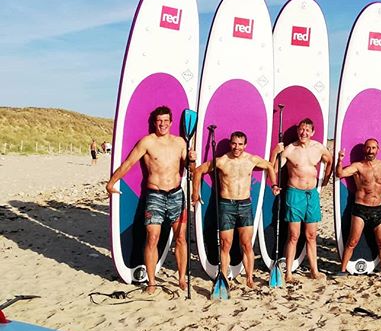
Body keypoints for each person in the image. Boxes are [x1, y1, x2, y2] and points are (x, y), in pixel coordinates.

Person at [106, 106, 194, 294]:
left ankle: (181, 279)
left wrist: (192, 160)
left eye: (165, 121)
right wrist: (111, 182)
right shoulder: (147, 142)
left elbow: (190, 169)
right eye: (159, 121)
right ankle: (152, 282)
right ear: (155, 122)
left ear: (171, 122)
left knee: (180, 238)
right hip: (155, 196)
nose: (162, 124)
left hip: (177, 195)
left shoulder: (180, 143)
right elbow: (128, 163)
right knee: (152, 238)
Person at [192, 131, 279, 289]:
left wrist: (273, 184)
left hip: (245, 205)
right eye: (234, 143)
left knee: (246, 244)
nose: (236, 147)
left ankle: (250, 278)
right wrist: (195, 193)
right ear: (230, 143)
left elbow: (269, 166)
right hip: (226, 205)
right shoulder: (222, 161)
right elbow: (198, 171)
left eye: (240, 144)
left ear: (245, 145)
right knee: (226, 244)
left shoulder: (251, 159)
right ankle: (223, 277)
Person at [271, 118, 332, 282]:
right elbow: (274, 169)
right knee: (293, 235)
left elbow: (329, 161)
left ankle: (314, 270)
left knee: (311, 235)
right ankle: (288, 273)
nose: (303, 132)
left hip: (311, 194)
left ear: (312, 132)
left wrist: (325, 179)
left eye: (307, 130)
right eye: (301, 129)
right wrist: (275, 153)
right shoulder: (290, 149)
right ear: (298, 131)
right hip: (294, 194)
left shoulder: (319, 148)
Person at [335, 138, 381, 282]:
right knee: (352, 241)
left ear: (378, 149)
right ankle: (342, 270)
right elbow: (340, 174)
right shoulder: (358, 166)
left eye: (373, 148)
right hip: (361, 209)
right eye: (368, 148)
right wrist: (339, 161)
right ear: (364, 149)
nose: (371, 151)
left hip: (378, 209)